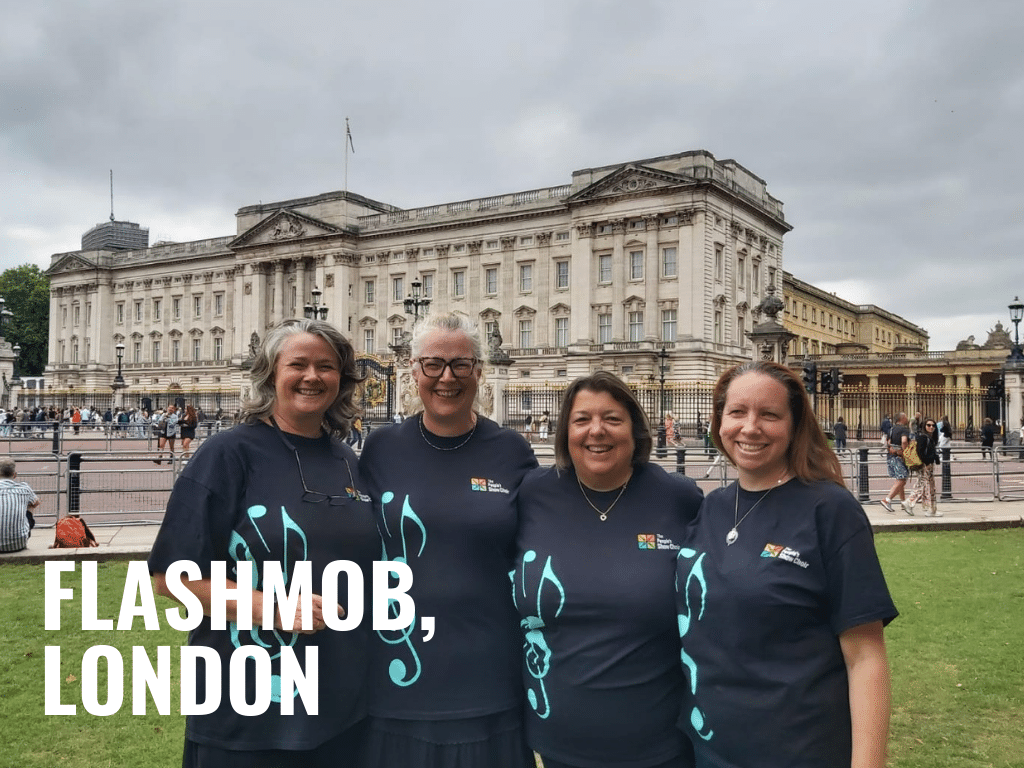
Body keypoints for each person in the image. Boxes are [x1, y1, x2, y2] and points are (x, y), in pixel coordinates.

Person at [148, 318, 376, 768]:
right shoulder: (227, 454)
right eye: (298, 364)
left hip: (340, 702)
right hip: (248, 705)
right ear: (271, 374)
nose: (313, 377)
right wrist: (270, 607)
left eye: (326, 367)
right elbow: (169, 578)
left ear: (341, 379)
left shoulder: (346, 458)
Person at [676, 360, 897, 768]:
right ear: (719, 421)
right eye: (737, 412)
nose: (750, 427)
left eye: (769, 414)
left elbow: (865, 658)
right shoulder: (712, 508)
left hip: (799, 750)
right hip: (708, 750)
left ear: (794, 425)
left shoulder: (829, 510)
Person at [358, 311, 538, 768]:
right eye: (433, 364)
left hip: (488, 671)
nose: (446, 378)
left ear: (479, 371)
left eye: (461, 365)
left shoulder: (512, 451)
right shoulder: (381, 448)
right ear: (413, 370)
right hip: (398, 667)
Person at [514, 372, 703, 768]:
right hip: (558, 741)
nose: (596, 431)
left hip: (658, 744)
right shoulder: (533, 494)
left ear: (635, 429)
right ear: (566, 430)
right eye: (581, 420)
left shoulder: (678, 498)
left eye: (612, 419)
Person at [0, 457, 40, 552]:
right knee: (30, 505)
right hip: (18, 544)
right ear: (14, 475)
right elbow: (36, 501)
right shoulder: (24, 488)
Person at [906, 418, 941, 516]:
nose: (931, 427)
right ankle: (909, 502)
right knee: (924, 487)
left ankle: (930, 509)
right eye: (929, 425)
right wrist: (926, 462)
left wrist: (935, 459)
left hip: (929, 465)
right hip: (925, 466)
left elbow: (931, 452)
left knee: (929, 488)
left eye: (933, 425)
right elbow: (920, 452)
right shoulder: (923, 437)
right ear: (924, 426)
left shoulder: (930, 437)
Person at [881, 412, 912, 514]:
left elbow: (888, 442)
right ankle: (887, 500)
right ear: (902, 418)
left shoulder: (892, 429)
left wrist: (893, 449)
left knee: (899, 479)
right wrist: (905, 452)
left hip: (891, 457)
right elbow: (904, 441)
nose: (907, 419)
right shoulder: (904, 429)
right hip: (899, 457)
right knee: (902, 480)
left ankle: (903, 502)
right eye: (906, 417)